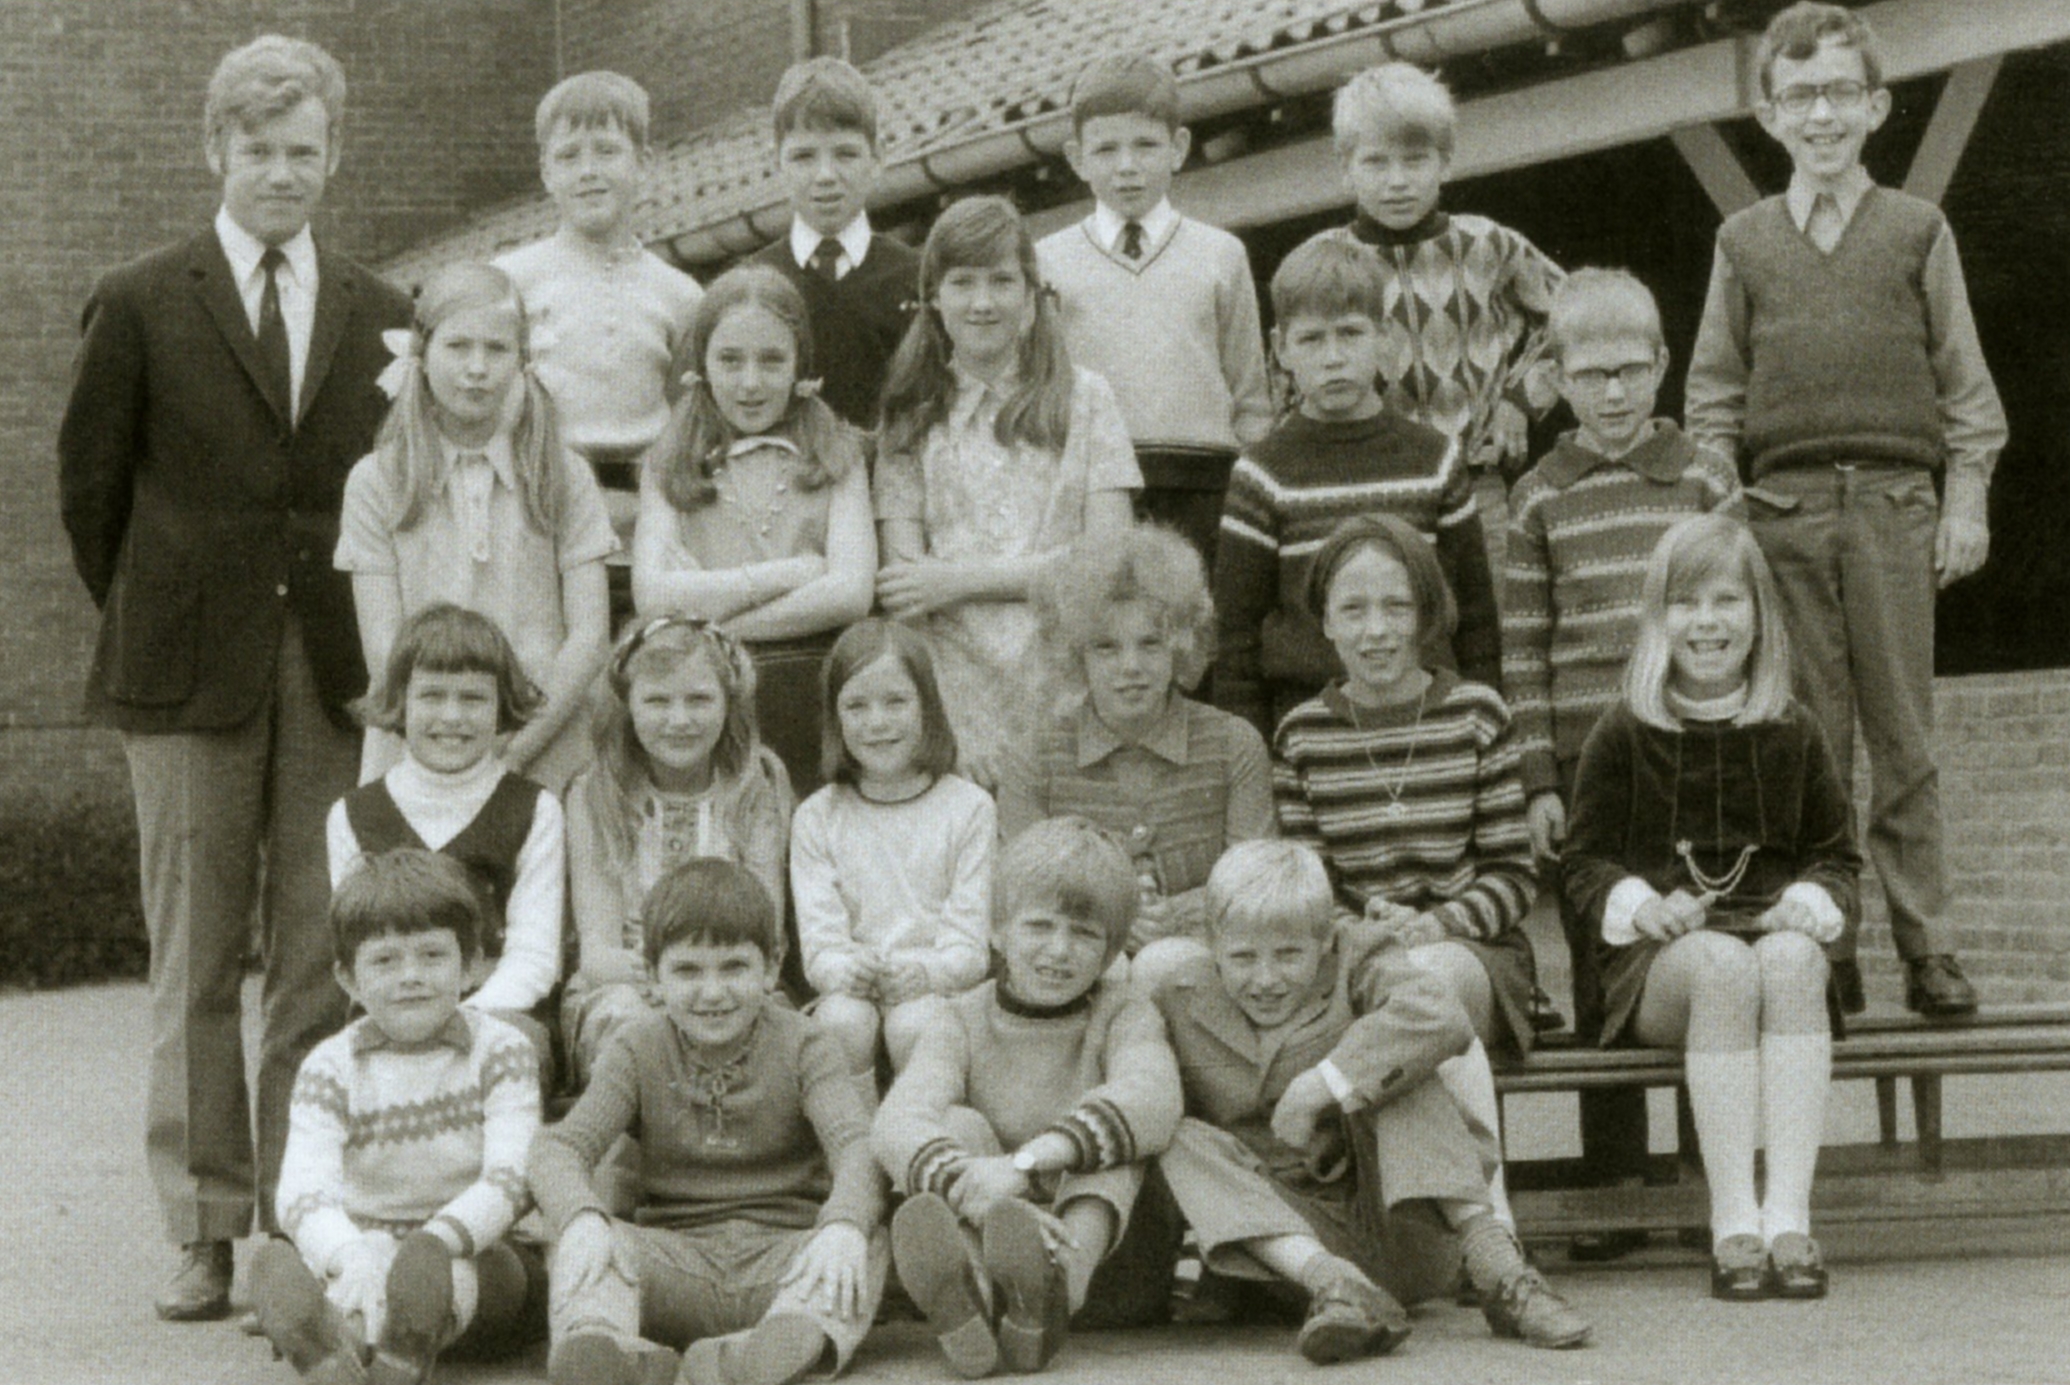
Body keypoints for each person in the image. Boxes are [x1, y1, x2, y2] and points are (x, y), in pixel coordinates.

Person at [55, 34, 413, 1319]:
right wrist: (174, 610)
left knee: (319, 951)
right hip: (183, 676)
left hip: (334, 674)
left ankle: (296, 1217)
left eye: (303, 150)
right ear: (216, 149)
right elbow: (92, 499)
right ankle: (207, 1224)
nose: (281, 172)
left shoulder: (384, 309)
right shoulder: (141, 297)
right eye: (258, 149)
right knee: (197, 960)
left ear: (333, 156)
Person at [1685, 3, 2005, 1020]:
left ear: (1876, 106)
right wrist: (1725, 506)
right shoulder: (1742, 241)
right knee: (1807, 739)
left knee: (1904, 739)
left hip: (1894, 509)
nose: (1820, 115)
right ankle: (1823, 943)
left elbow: (1968, 391)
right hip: (1781, 515)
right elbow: (1712, 395)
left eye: (1838, 93)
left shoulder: (1919, 229)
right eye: (1799, 97)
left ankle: (1930, 947)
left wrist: (1966, 498)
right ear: (1769, 115)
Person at [1503, 267, 1743, 1258]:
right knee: (1604, 965)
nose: (1612, 392)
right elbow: (1523, 644)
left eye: (1631, 369)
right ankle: (1614, 1185)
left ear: (1663, 364)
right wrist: (1538, 780)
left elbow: (1740, 615)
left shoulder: (1704, 478)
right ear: (1555, 376)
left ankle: (1705, 1178)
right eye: (1590, 373)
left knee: (1702, 950)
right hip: (1586, 772)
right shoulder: (1536, 496)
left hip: (1695, 758)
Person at [1137, 840, 1591, 1361]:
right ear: (1213, 944)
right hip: (1285, 1257)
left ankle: (1501, 1273)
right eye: (1242, 957)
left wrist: (1325, 1082)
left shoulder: (1359, 957)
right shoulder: (1179, 995)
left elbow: (1439, 1015)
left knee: (1397, 1069)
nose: (1265, 979)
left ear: (1326, 940)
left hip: (1397, 1222)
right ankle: (1341, 1288)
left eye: (1289, 954)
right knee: (1179, 1136)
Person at [1563, 514, 1860, 1300]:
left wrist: (1809, 899)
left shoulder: (1795, 730)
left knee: (1792, 957)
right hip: (1663, 968)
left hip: (1771, 950)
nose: (1707, 621)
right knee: (1724, 964)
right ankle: (1733, 1220)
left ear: (1759, 614)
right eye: (1685, 602)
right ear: (1656, 618)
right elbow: (1582, 863)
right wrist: (1637, 903)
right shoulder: (1624, 732)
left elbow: (1838, 856)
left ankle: (1787, 1216)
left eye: (1726, 600)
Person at [1272, 514, 1538, 1236]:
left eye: (1396, 606)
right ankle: (1452, 1233)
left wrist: (1435, 923)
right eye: (1353, 609)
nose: (1376, 630)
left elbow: (1514, 875)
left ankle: (1491, 1227)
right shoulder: (1301, 736)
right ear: (1325, 620)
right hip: (1355, 960)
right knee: (1405, 989)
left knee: (1429, 980)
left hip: (1474, 955)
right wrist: (1364, 936)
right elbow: (1307, 889)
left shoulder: (1477, 714)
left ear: (1425, 612)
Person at [530, 857, 886, 1385]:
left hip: (786, 1262)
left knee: (869, 1242)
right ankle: (610, 1352)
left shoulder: (806, 1045)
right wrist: (582, 1218)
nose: (713, 991)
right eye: (688, 971)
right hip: (673, 1263)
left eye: (734, 967)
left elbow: (857, 1145)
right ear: (652, 976)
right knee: (588, 1244)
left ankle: (753, 1355)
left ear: (772, 966)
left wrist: (843, 1226)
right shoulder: (636, 1047)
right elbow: (559, 1148)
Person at [872, 817, 1184, 1377]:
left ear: (1111, 952)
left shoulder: (1124, 1011)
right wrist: (983, 1197)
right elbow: (899, 1120)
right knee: (955, 1123)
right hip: (993, 1238)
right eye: (1039, 925)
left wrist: (1025, 1164)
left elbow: (1153, 1096)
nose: (1059, 950)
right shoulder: (960, 1018)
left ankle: (1056, 1292)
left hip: (1108, 1268)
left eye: (1084, 934)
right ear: (997, 931)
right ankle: (975, 1299)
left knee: (1119, 1141)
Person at [875, 195, 1141, 784]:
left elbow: (1109, 558)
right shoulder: (909, 415)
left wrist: (958, 581)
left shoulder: (1087, 399)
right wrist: (948, 724)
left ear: (1031, 294)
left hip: (1074, 688)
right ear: (933, 296)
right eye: (962, 282)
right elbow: (906, 591)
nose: (983, 302)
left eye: (1002, 281)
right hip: (957, 706)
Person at [254, 848, 546, 1385]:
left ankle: (395, 1344)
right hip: (366, 1248)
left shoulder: (502, 1051)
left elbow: (511, 1179)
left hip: (472, 1245)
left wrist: (432, 1246)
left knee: (496, 1274)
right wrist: (352, 1255)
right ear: (348, 978)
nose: (411, 976)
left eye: (432, 955)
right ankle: (339, 1350)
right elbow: (301, 1191)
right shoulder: (330, 1067)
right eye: (385, 961)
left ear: (472, 966)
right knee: (311, 1264)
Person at [336, 260, 616, 793]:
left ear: (522, 359)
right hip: (421, 745)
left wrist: (517, 750)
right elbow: (385, 648)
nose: (477, 368)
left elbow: (588, 636)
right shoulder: (377, 480)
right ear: (422, 356)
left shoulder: (563, 474)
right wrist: (451, 752)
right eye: (458, 347)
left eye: (496, 349)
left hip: (547, 740)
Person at [1213, 232, 1499, 742]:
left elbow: (1476, 620)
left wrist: (1486, 727)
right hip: (1309, 735)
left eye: (1350, 333)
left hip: (1433, 727)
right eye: (1311, 339)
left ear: (1384, 337)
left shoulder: (1435, 459)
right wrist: (1252, 757)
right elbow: (1237, 642)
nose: (1333, 357)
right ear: (1280, 349)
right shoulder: (1261, 474)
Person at [631, 264, 875, 797]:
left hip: (816, 695)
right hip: (707, 704)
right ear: (701, 364)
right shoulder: (669, 462)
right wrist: (797, 573)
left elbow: (851, 593)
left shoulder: (838, 453)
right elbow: (653, 598)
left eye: (771, 361)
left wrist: (712, 620)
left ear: (800, 365)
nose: (750, 383)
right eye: (729, 360)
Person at [1035, 52, 1273, 564]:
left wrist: (1253, 495)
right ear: (1077, 158)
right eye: (1106, 149)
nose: (1127, 166)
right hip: (1094, 488)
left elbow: (1250, 396)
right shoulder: (1045, 262)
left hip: (1206, 486)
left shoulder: (1221, 254)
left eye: (1145, 145)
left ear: (1178, 147)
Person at [998, 522, 1273, 953]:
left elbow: (1257, 883)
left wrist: (1175, 917)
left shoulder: (1234, 745)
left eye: (1150, 644)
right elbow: (1023, 896)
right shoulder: (1032, 757)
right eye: (1106, 647)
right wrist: (1118, 918)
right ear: (1075, 654)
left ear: (1181, 645)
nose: (1131, 666)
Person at [495, 70, 704, 623]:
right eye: (568, 156)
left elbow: (690, 424)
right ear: (546, 172)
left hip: (645, 534)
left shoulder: (681, 295)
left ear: (644, 162)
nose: (588, 171)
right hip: (541, 528)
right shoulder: (511, 282)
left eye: (607, 151)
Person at [1325, 60, 1563, 536]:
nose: (1397, 180)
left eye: (1415, 160)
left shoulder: (1488, 245)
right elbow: (1287, 375)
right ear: (1346, 169)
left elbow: (1576, 317)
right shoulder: (1326, 262)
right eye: (1375, 162)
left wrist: (1520, 400)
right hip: (1372, 491)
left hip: (1477, 483)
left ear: (1446, 163)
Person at [325, 604, 565, 1067]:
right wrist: (412, 1027)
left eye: (473, 698)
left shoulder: (535, 809)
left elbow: (534, 958)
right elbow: (358, 950)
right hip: (389, 1015)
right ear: (400, 702)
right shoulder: (352, 815)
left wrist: (458, 1023)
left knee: (512, 1054)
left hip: (501, 1014)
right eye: (432, 696)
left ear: (501, 707)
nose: (452, 715)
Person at [561, 616, 793, 1082]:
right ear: (628, 705)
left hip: (732, 978)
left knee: (772, 1034)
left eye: (699, 699)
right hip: (626, 981)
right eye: (657, 701)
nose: (679, 720)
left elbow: (767, 935)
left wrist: (706, 986)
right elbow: (599, 956)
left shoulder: (755, 786)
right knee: (631, 1024)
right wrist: (671, 984)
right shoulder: (596, 794)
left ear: (729, 703)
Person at [791, 619, 994, 1076]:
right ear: (835, 717)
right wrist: (845, 971)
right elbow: (820, 946)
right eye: (856, 706)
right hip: (853, 987)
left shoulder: (969, 807)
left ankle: (921, 1120)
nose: (877, 722)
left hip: (938, 986)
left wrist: (926, 974)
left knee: (914, 1024)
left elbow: (969, 945)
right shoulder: (817, 816)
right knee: (841, 1022)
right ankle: (853, 1123)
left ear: (928, 708)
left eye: (896, 701)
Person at [747, 56, 920, 431]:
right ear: (777, 165)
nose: (825, 175)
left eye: (845, 153)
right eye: (804, 156)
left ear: (877, 158)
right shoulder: (749, 284)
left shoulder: (919, 279)